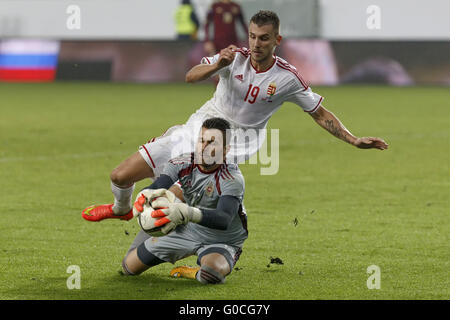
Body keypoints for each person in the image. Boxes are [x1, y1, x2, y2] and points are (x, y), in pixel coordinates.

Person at [81, 10, 388, 223]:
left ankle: (195, 246)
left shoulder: (288, 78)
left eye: (264, 38)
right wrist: (216, 65)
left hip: (235, 142)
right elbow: (191, 76)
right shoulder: (233, 56)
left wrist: (353, 139)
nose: (256, 43)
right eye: (253, 36)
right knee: (119, 176)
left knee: (168, 200)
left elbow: (320, 113)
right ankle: (122, 209)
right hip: (200, 125)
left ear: (276, 40)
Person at [121, 118, 247, 284]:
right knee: (129, 268)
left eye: (212, 142)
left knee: (210, 274)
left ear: (225, 150)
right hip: (187, 230)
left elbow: (223, 219)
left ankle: (190, 272)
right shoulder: (181, 162)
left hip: (222, 239)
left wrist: (187, 212)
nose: (204, 147)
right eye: (202, 140)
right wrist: (144, 195)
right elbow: (159, 185)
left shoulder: (232, 178)